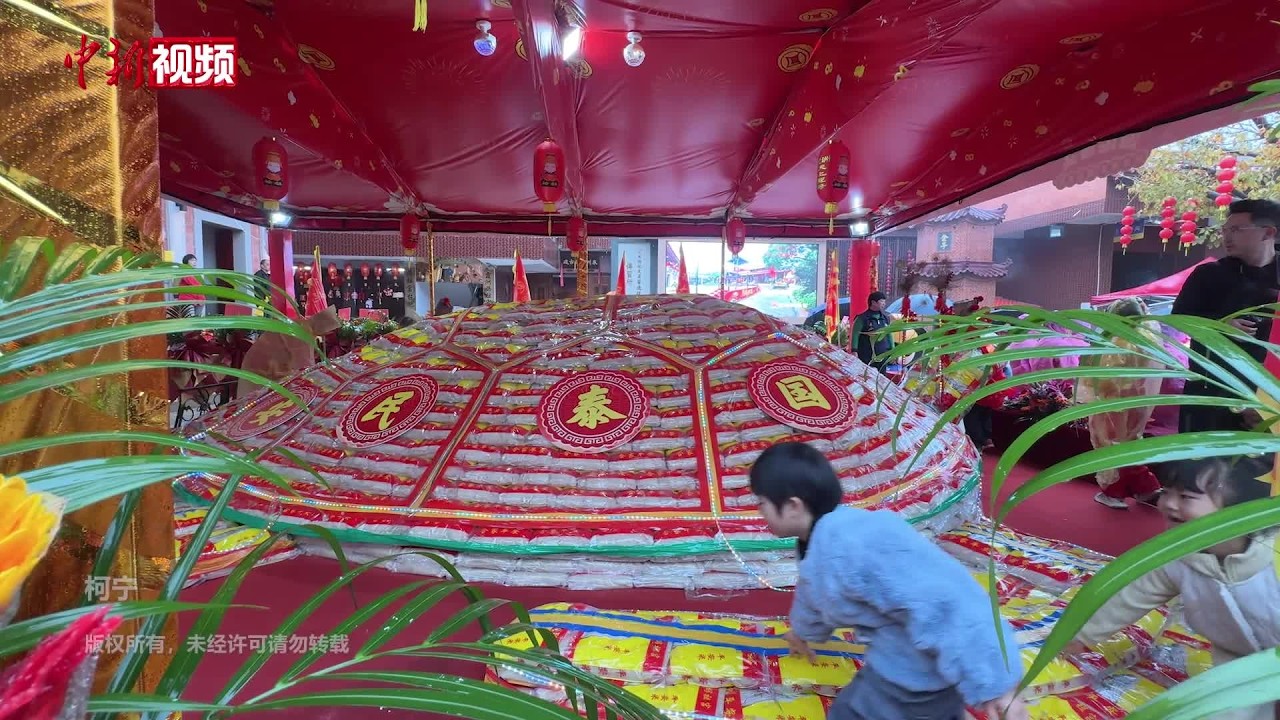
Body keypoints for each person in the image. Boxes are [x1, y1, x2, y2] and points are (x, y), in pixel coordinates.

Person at [750, 442, 1028, 720]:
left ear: (793, 506)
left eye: (762, 503)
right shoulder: (821, 542)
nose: (759, 511)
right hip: (911, 665)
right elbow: (813, 595)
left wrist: (997, 684)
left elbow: (949, 602)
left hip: (914, 676)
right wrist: (802, 631)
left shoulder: (858, 545)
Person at [1065, 456, 1277, 720]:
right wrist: (1078, 637)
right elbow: (1129, 597)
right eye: (1166, 492)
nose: (1168, 504)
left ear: (1240, 509)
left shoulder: (1273, 557)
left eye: (1186, 497)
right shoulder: (1177, 557)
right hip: (1238, 660)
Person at [1172, 198, 1280, 433]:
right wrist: (1218, 325)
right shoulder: (1208, 275)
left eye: (1236, 229)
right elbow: (1178, 319)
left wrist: (1269, 405)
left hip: (1270, 400)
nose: (1227, 236)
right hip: (1210, 395)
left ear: (1268, 233)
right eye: (1225, 230)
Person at [1075, 298, 1163, 509]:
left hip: (1114, 404)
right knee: (1132, 443)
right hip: (1138, 400)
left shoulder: (1117, 342)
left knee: (1111, 445)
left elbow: (1104, 379)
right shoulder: (1146, 338)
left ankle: (1114, 492)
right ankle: (1146, 487)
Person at [236, 307, 341, 398]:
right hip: (261, 371)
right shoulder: (303, 331)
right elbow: (304, 367)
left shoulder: (300, 324)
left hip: (262, 365)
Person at [850, 291, 894, 369]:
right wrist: (854, 350)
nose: (884, 303)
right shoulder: (862, 318)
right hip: (866, 355)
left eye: (884, 301)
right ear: (873, 302)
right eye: (881, 301)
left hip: (882, 354)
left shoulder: (885, 318)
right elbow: (855, 334)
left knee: (881, 375)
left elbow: (889, 335)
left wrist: (893, 350)